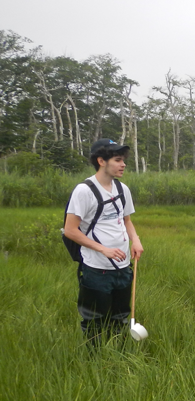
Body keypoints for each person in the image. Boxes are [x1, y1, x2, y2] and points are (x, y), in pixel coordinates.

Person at [63, 138, 143, 346]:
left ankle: (119, 355)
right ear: (101, 161)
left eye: (123, 160)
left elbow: (127, 220)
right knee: (95, 320)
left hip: (123, 266)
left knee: (120, 317)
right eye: (117, 160)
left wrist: (135, 240)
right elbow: (71, 230)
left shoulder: (122, 189)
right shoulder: (84, 191)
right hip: (96, 268)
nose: (123, 164)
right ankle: (95, 361)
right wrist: (103, 250)